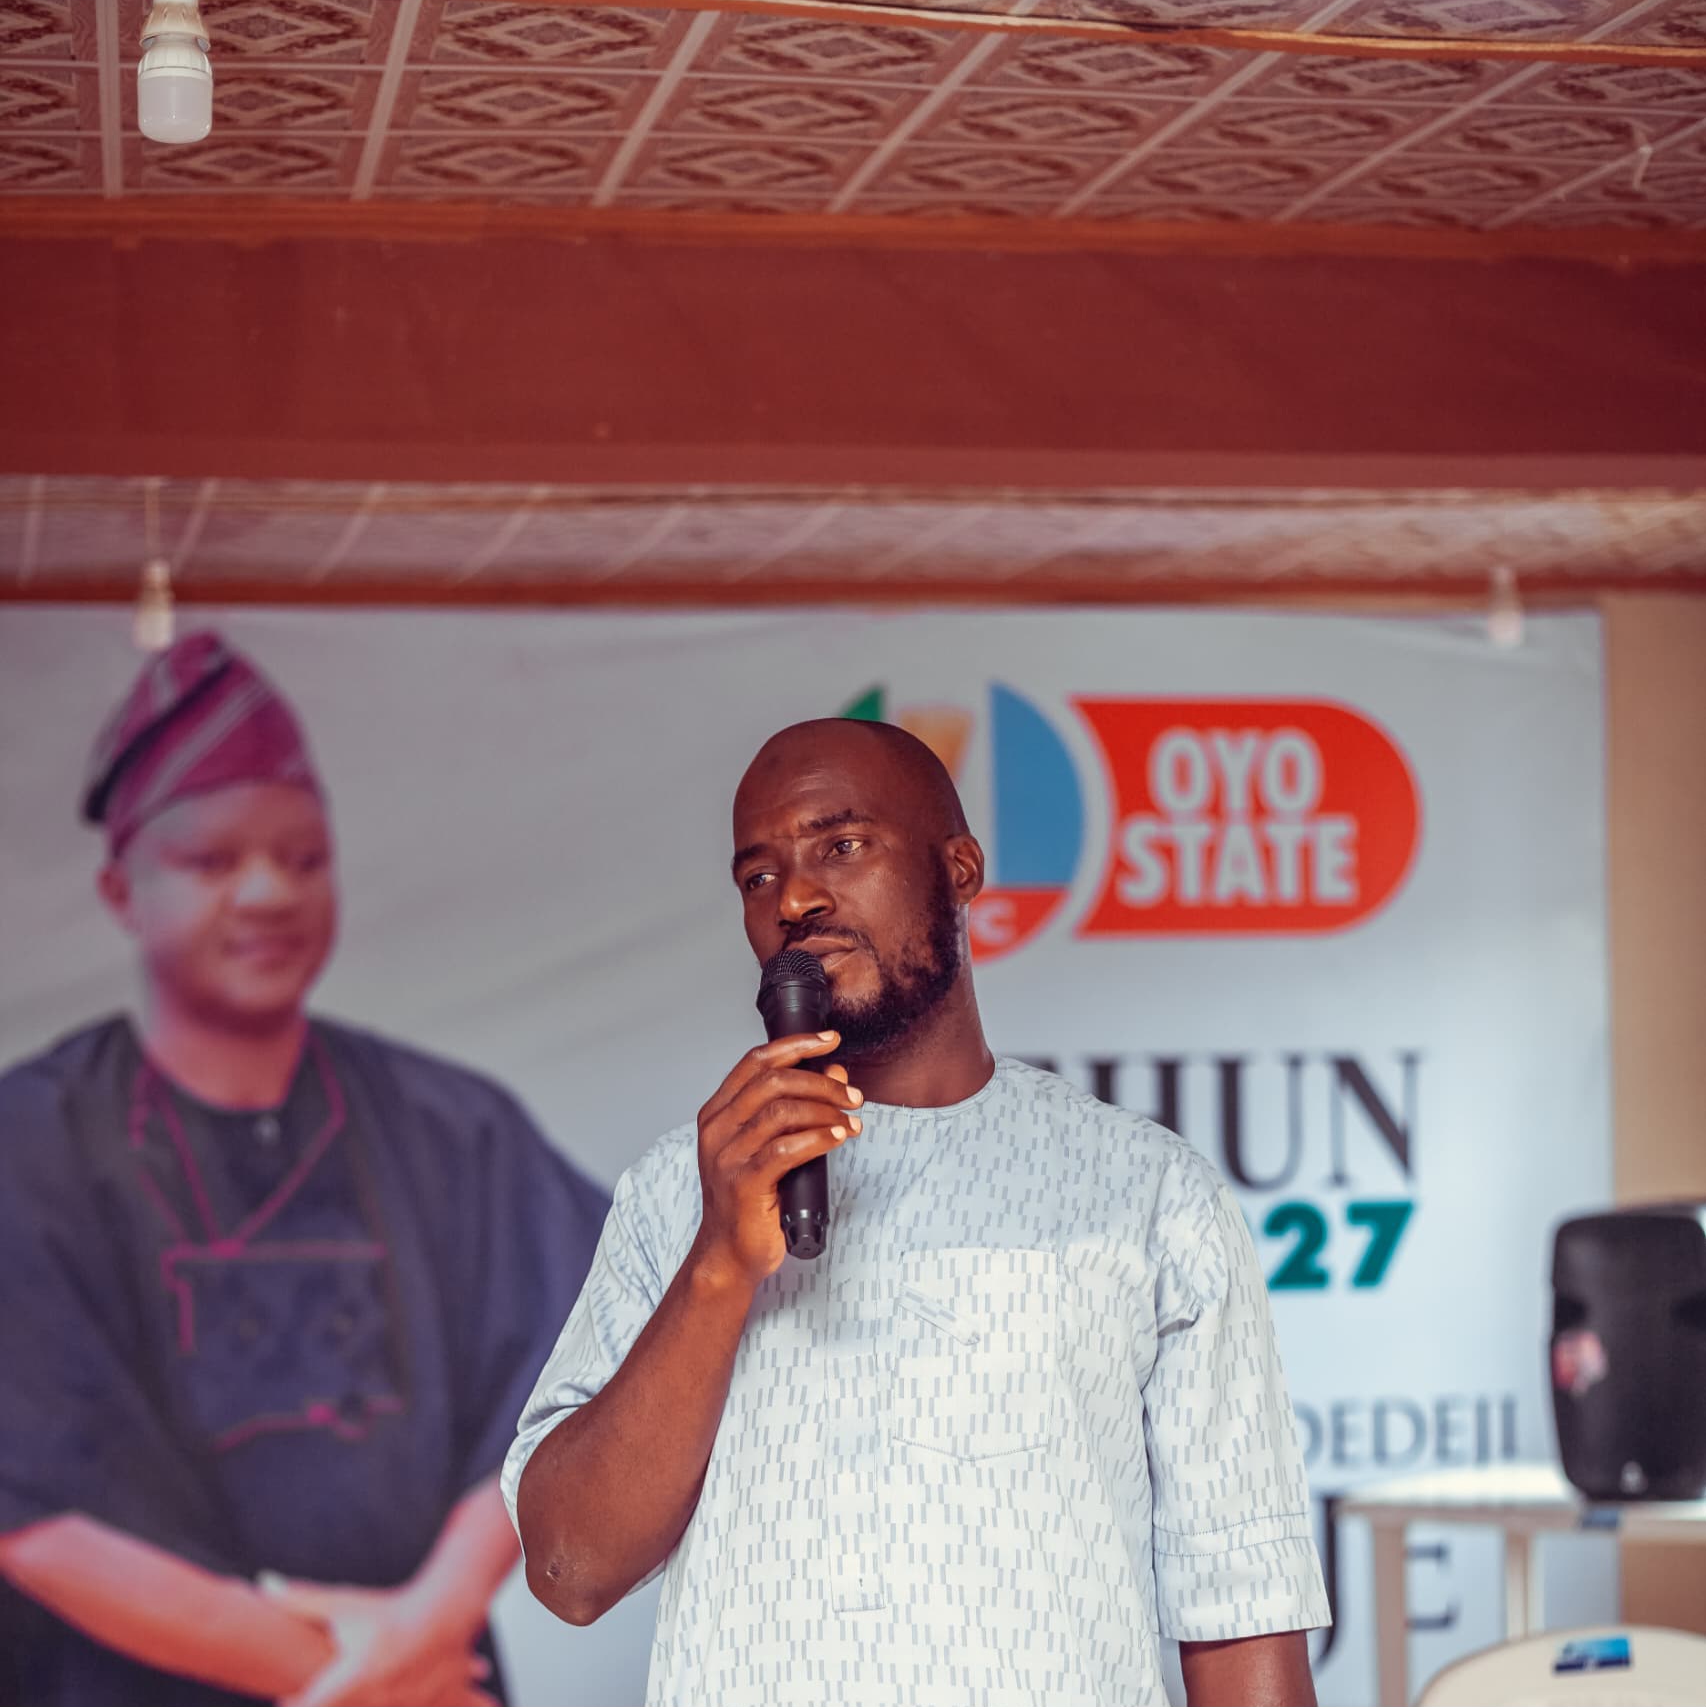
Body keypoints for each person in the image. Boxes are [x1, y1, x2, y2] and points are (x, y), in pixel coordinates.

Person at [507, 717, 1330, 1707]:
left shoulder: (1146, 1195)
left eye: (841, 846)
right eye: (758, 876)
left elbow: (1242, 1613)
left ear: (960, 870)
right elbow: (570, 1569)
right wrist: (718, 1265)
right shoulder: (678, 1191)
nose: (794, 899)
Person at [0, 631, 610, 1707]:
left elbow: (582, 1370)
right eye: (213, 862)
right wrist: (353, 1680)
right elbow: (27, 1509)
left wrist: (433, 1618)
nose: (269, 891)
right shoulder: (29, 1142)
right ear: (119, 889)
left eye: (304, 858)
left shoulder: (449, 1126)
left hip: (428, 1661)